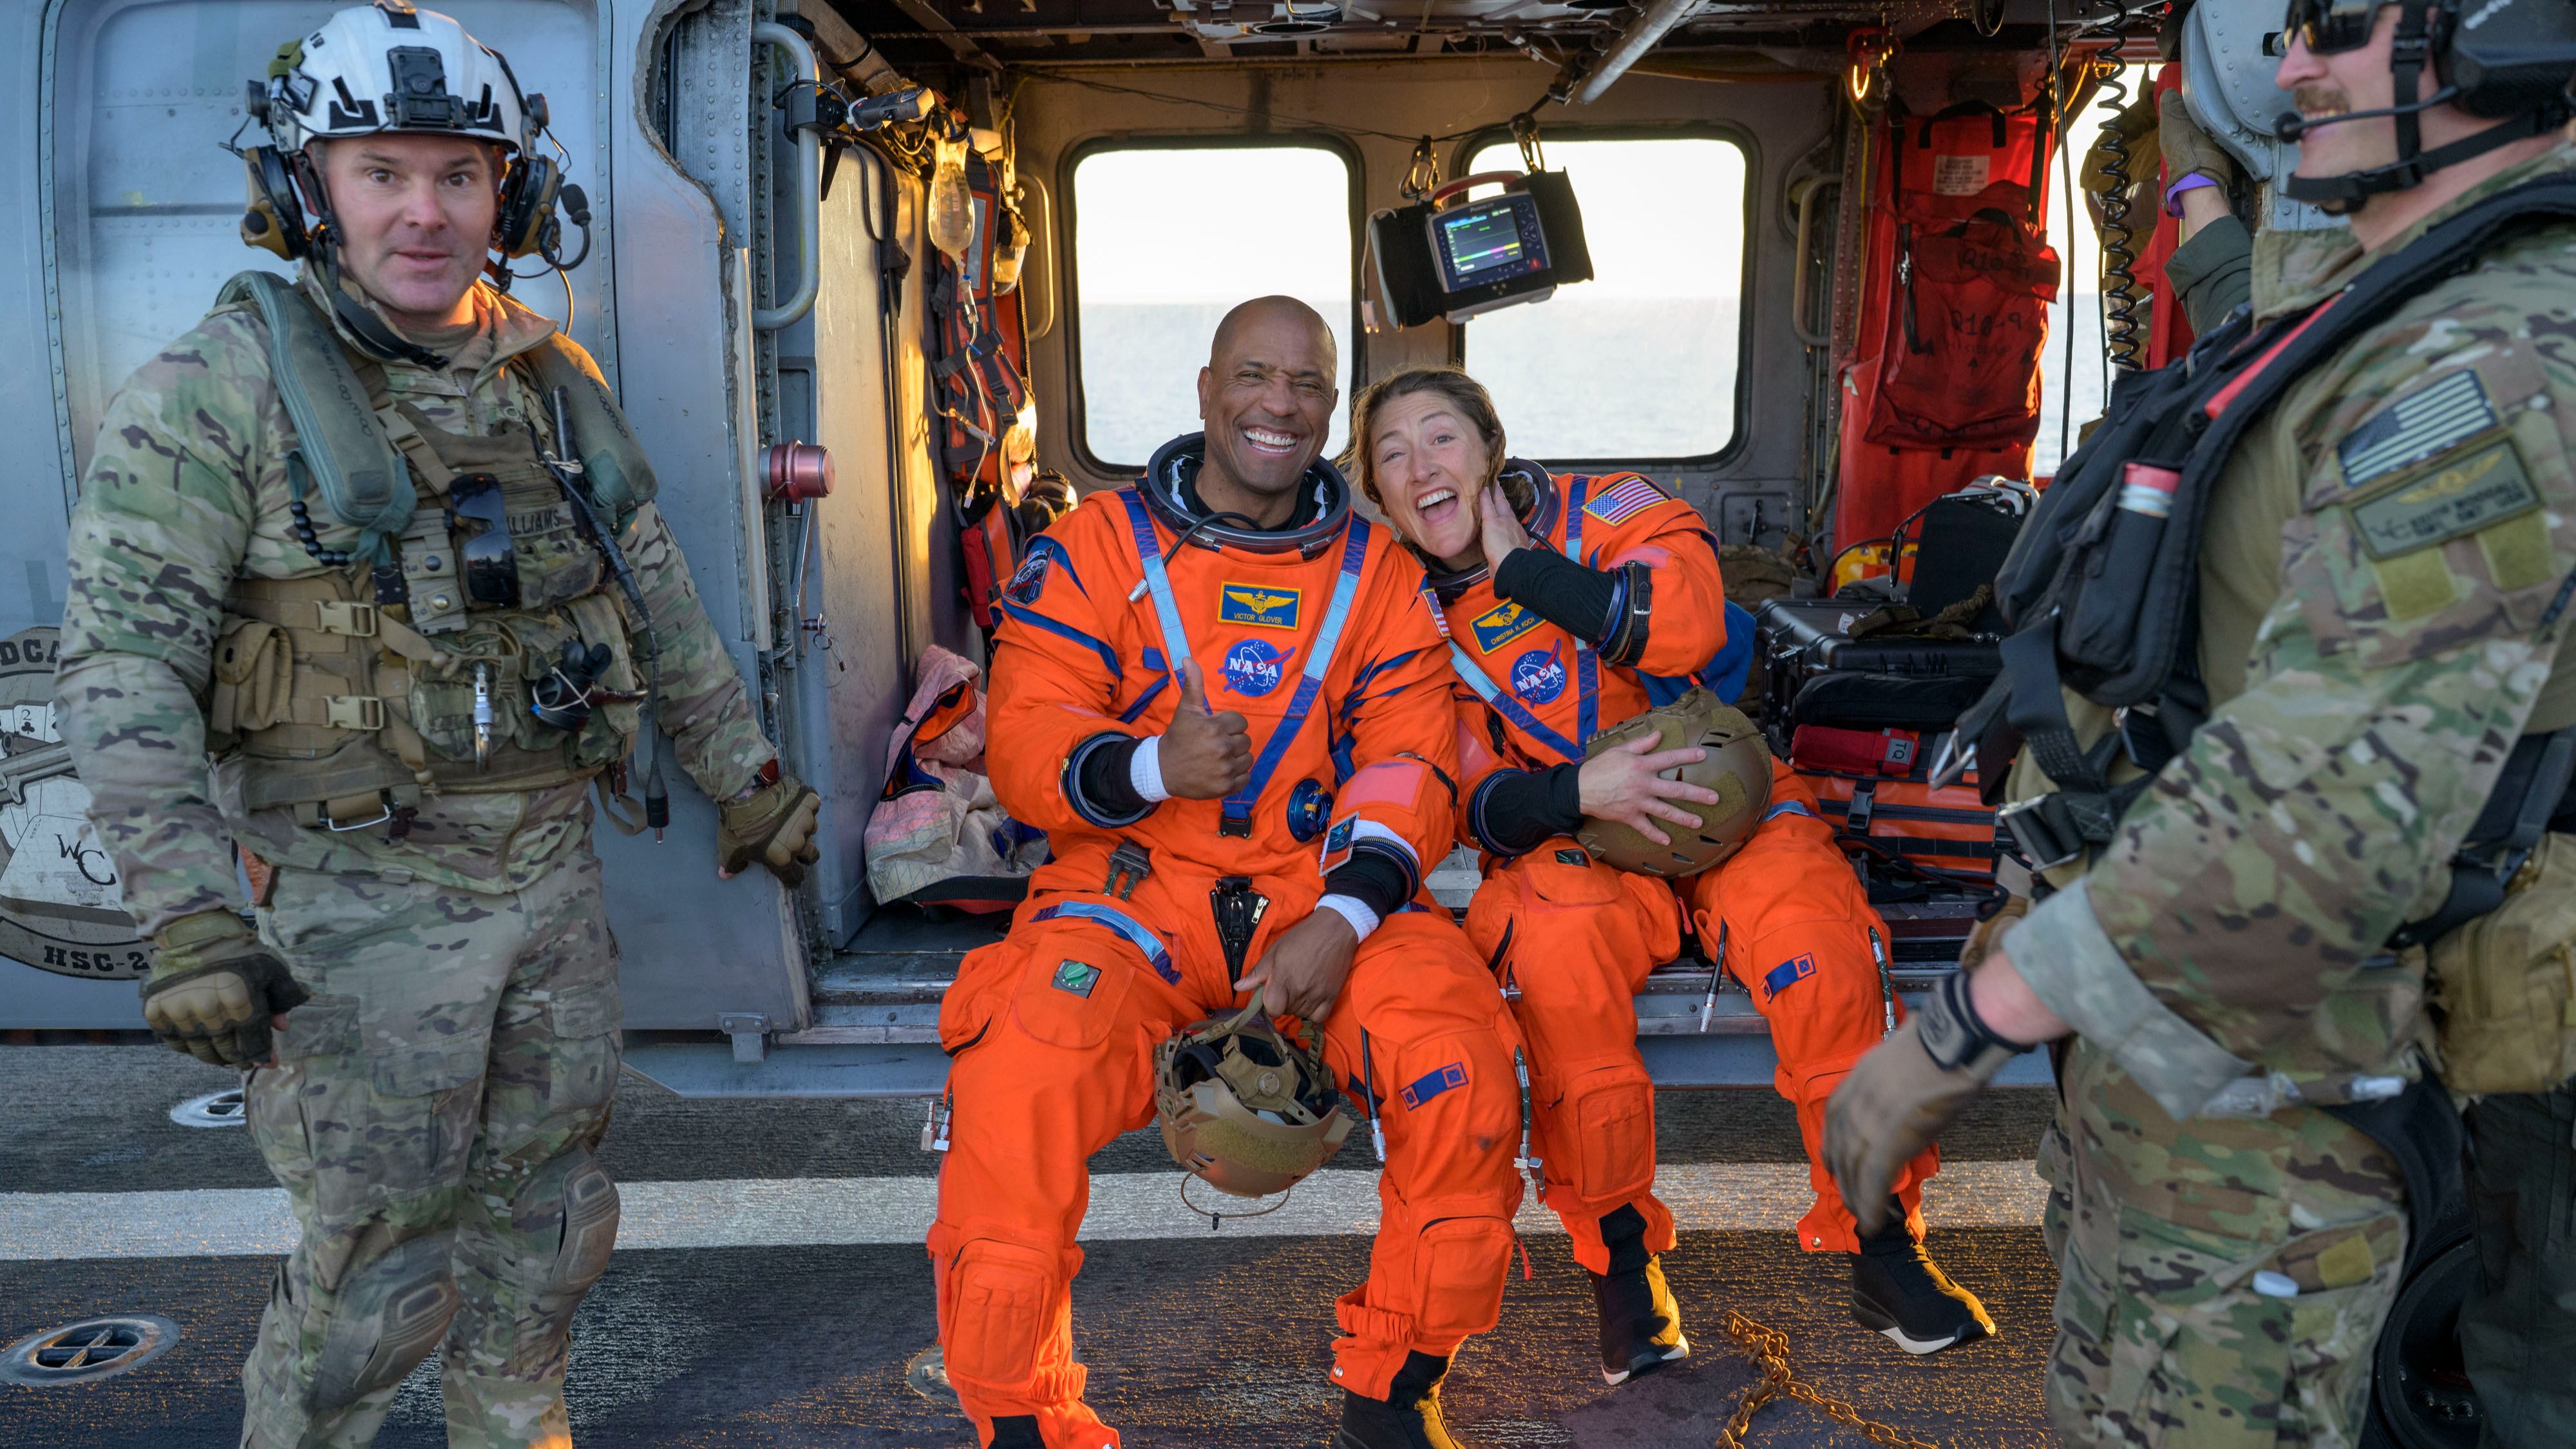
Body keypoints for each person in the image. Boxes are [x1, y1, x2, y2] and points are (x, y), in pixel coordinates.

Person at [55, 5, 818, 1445]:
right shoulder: (213, 393)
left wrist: (751, 781)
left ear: (508, 196)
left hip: (547, 884)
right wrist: (189, 919)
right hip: (354, 901)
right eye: (382, 174)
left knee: (551, 1228)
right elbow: (123, 665)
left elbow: (655, 595)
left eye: (459, 175)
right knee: (377, 1278)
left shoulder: (548, 382)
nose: (424, 212)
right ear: (307, 190)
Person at [1825, 4, 2576, 1444]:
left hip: (2277, 1046)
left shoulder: (2500, 355)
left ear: (2501, 35)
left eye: (2337, 27)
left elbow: (2329, 798)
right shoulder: (2389, 298)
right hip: (2182, 1035)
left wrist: (1969, 1023)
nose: (2290, 66)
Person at [929, 298, 1526, 1449]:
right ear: (1207, 389)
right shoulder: (1099, 547)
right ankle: (1023, 1422)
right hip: (1131, 895)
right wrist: (1154, 765)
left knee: (1458, 1066)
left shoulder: (1379, 575)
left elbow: (1410, 763)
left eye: (1306, 385)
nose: (1278, 405)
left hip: (1317, 895)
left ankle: (1394, 1395)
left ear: (1330, 408)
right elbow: (1028, 734)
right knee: (1019, 1080)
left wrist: (1346, 916)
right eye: (1254, 376)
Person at [1345, 366, 1995, 1368]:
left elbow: (1686, 620)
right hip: (1576, 836)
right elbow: (1455, 797)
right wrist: (1582, 791)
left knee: (1817, 938)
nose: (1422, 466)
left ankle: (1881, 1239)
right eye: (1393, 455)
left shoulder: (1605, 510)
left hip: (1719, 797)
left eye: (1441, 437)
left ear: (1490, 447)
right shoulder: (1400, 616)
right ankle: (1621, 1260)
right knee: (1557, 952)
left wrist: (1525, 571)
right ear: (1381, 497)